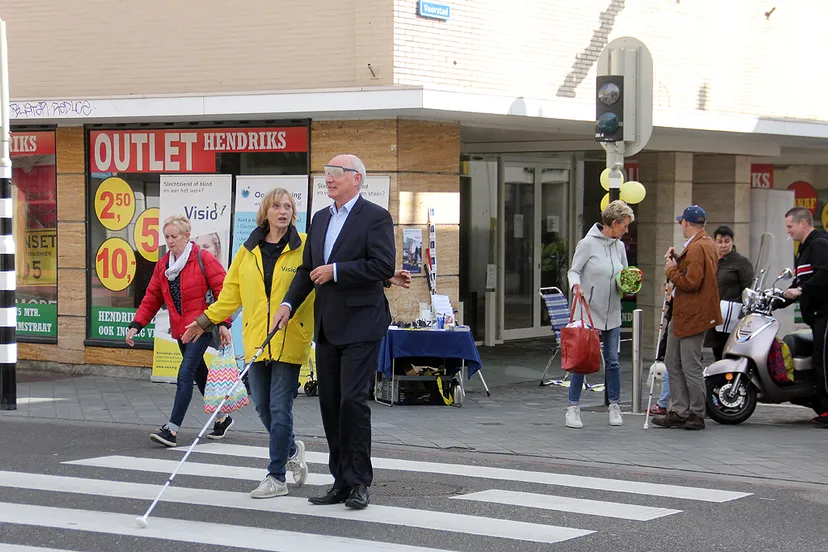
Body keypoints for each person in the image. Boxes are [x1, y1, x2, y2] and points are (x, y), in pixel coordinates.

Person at [272, 154, 397, 510]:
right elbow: (307, 269)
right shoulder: (321, 218)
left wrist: (337, 271)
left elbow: (382, 265)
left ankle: (359, 482)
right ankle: (340, 480)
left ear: (356, 179)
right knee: (329, 404)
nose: (328, 179)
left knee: (352, 402)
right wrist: (287, 305)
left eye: (336, 174)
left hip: (361, 324)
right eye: (325, 174)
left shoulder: (375, 217)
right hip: (327, 325)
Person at [182, 188, 314, 498]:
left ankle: (276, 476)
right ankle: (292, 449)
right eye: (277, 206)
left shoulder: (305, 246)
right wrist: (203, 322)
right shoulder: (248, 250)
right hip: (257, 340)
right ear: (265, 212)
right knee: (262, 407)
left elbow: (315, 284)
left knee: (281, 409)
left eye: (288, 206)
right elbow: (229, 297)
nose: (283, 211)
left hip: (290, 337)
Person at [126, 215, 232, 447]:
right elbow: (152, 297)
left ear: (187, 235)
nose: (170, 241)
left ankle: (171, 430)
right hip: (180, 331)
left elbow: (224, 291)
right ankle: (222, 418)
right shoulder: (164, 264)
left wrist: (223, 322)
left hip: (202, 326)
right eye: (167, 237)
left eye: (175, 236)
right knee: (199, 373)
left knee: (185, 374)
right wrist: (136, 324)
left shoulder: (203, 258)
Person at [565, 200, 634, 429]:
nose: (626, 230)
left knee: (613, 361)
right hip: (589, 312)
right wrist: (576, 286)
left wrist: (629, 285)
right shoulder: (587, 244)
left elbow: (624, 274)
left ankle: (614, 405)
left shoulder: (619, 247)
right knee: (582, 360)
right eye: (624, 226)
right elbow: (574, 271)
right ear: (613, 224)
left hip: (612, 312)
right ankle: (573, 407)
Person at [652, 205, 721, 431]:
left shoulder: (698, 247)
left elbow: (691, 282)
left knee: (689, 365)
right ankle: (680, 410)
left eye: (681, 222)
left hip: (692, 314)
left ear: (685, 223)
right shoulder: (705, 244)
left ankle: (696, 413)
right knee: (673, 362)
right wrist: (678, 261)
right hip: (687, 314)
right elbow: (695, 273)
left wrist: (672, 269)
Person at [781, 207, 828, 427]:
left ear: (803, 223)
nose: (788, 231)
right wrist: (777, 300)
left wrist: (801, 291)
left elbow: (824, 275)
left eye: (790, 226)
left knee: (824, 360)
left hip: (825, 315)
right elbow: (800, 281)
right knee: (817, 358)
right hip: (816, 316)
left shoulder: (819, 244)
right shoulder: (805, 248)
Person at [704, 225, 754, 361]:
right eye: (720, 242)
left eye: (727, 241)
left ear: (732, 242)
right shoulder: (712, 261)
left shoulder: (741, 263)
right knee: (717, 353)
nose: (723, 245)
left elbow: (748, 289)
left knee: (730, 354)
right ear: (714, 242)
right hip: (715, 314)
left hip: (733, 316)